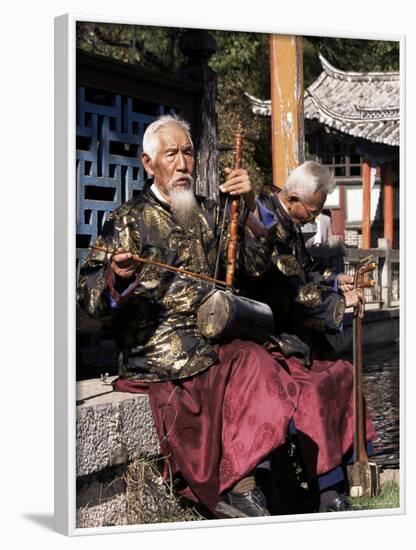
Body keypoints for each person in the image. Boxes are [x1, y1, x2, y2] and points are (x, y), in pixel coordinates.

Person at [77, 114, 296, 519]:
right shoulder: (127, 220)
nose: (182, 164)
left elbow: (255, 264)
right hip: (158, 352)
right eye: (172, 155)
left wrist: (249, 205)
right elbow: (89, 297)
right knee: (214, 375)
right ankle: (236, 489)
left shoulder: (208, 213)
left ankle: (243, 481)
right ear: (148, 164)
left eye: (189, 153)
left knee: (262, 363)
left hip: (211, 340)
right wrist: (116, 277)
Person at [243, 161, 376, 511]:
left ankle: (350, 476)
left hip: (293, 331)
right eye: (313, 210)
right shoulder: (266, 224)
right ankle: (326, 492)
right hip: (270, 335)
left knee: (345, 375)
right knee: (315, 391)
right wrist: (338, 301)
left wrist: (334, 282)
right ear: (293, 199)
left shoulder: (289, 220)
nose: (314, 218)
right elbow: (293, 292)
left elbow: (303, 274)